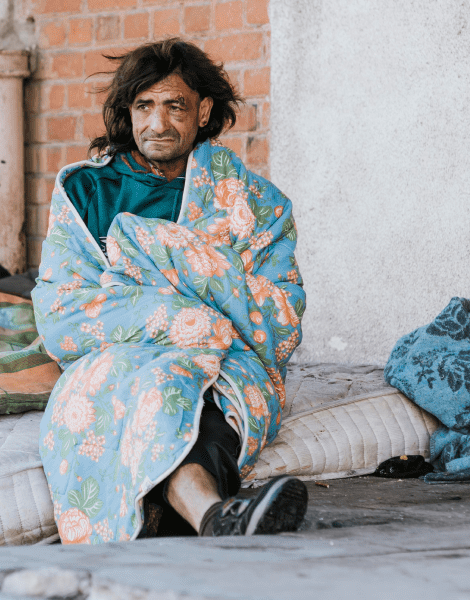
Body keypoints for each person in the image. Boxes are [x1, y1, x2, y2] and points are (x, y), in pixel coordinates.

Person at [33, 39, 309, 543]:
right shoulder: (85, 193)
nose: (157, 124)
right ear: (128, 112)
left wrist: (174, 267)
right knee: (149, 391)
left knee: (202, 408)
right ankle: (215, 518)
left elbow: (281, 316)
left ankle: (205, 520)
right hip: (122, 356)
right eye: (144, 106)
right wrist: (191, 319)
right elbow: (61, 313)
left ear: (203, 111)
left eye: (174, 106)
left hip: (227, 360)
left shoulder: (250, 202)